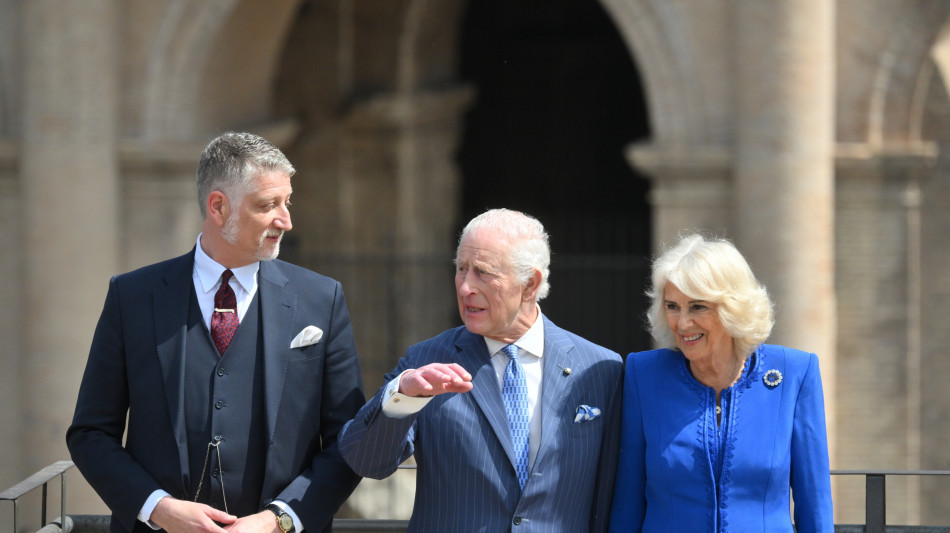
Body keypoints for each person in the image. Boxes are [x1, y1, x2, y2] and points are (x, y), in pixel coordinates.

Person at [66, 132, 365, 533]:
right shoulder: (133, 298)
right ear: (218, 207)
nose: (286, 220)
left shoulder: (321, 299)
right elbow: (90, 434)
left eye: (286, 203)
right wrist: (158, 508)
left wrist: (279, 520)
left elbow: (350, 441)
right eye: (267, 205)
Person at [339, 208, 623, 532]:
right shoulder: (428, 360)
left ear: (530, 284)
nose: (464, 288)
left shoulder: (601, 368)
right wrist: (403, 394)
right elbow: (365, 460)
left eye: (483, 273)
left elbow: (614, 493)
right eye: (461, 269)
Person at [608, 233, 833, 532]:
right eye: (672, 306)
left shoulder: (794, 372)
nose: (682, 323)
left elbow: (814, 503)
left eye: (698, 307)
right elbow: (628, 499)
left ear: (732, 308)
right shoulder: (644, 374)